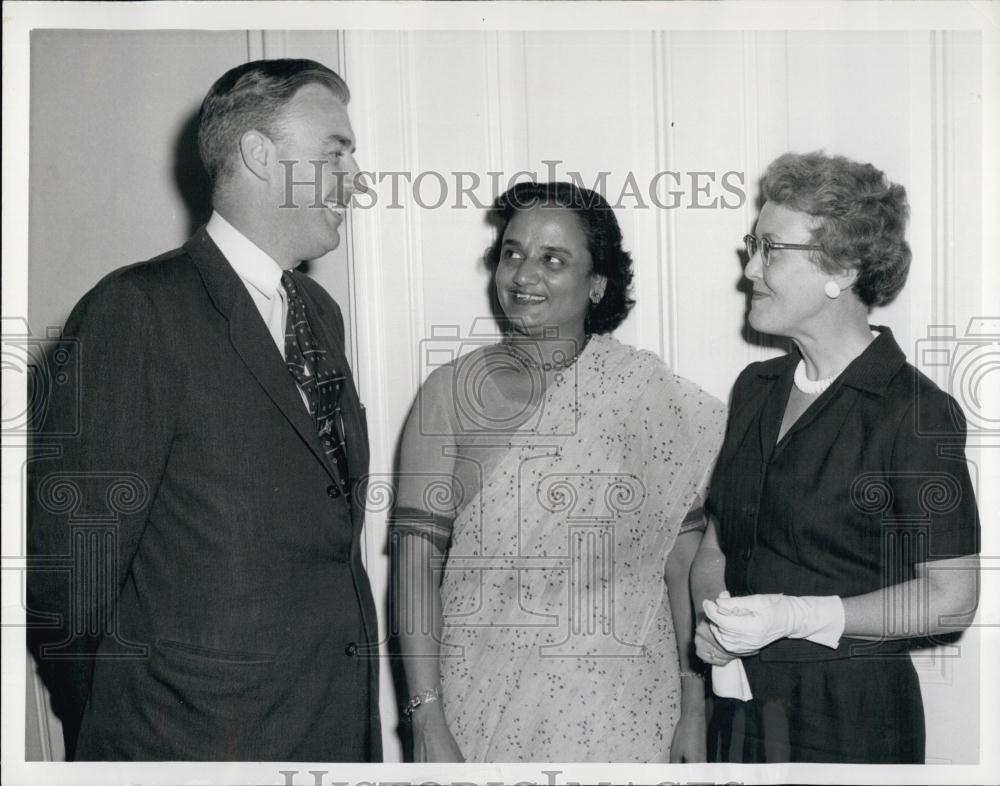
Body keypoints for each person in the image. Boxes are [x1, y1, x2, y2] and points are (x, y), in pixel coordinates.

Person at [27, 59, 381, 761]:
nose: (357, 178)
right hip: (192, 745)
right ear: (257, 153)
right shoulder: (136, 311)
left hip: (331, 730)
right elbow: (72, 574)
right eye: (336, 153)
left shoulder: (319, 313)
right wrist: (124, 729)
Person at [392, 181, 725, 762]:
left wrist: (695, 709)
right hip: (482, 707)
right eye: (512, 253)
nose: (523, 276)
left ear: (597, 284)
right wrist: (425, 718)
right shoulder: (450, 393)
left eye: (553, 259)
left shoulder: (642, 393)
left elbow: (681, 562)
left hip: (624, 709)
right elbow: (415, 563)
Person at [692, 151, 981, 763]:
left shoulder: (912, 411)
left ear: (843, 268)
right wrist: (717, 623)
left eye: (771, 248)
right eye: (754, 245)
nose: (750, 268)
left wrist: (797, 615)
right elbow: (717, 545)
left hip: (851, 717)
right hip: (740, 708)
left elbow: (952, 596)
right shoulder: (756, 389)